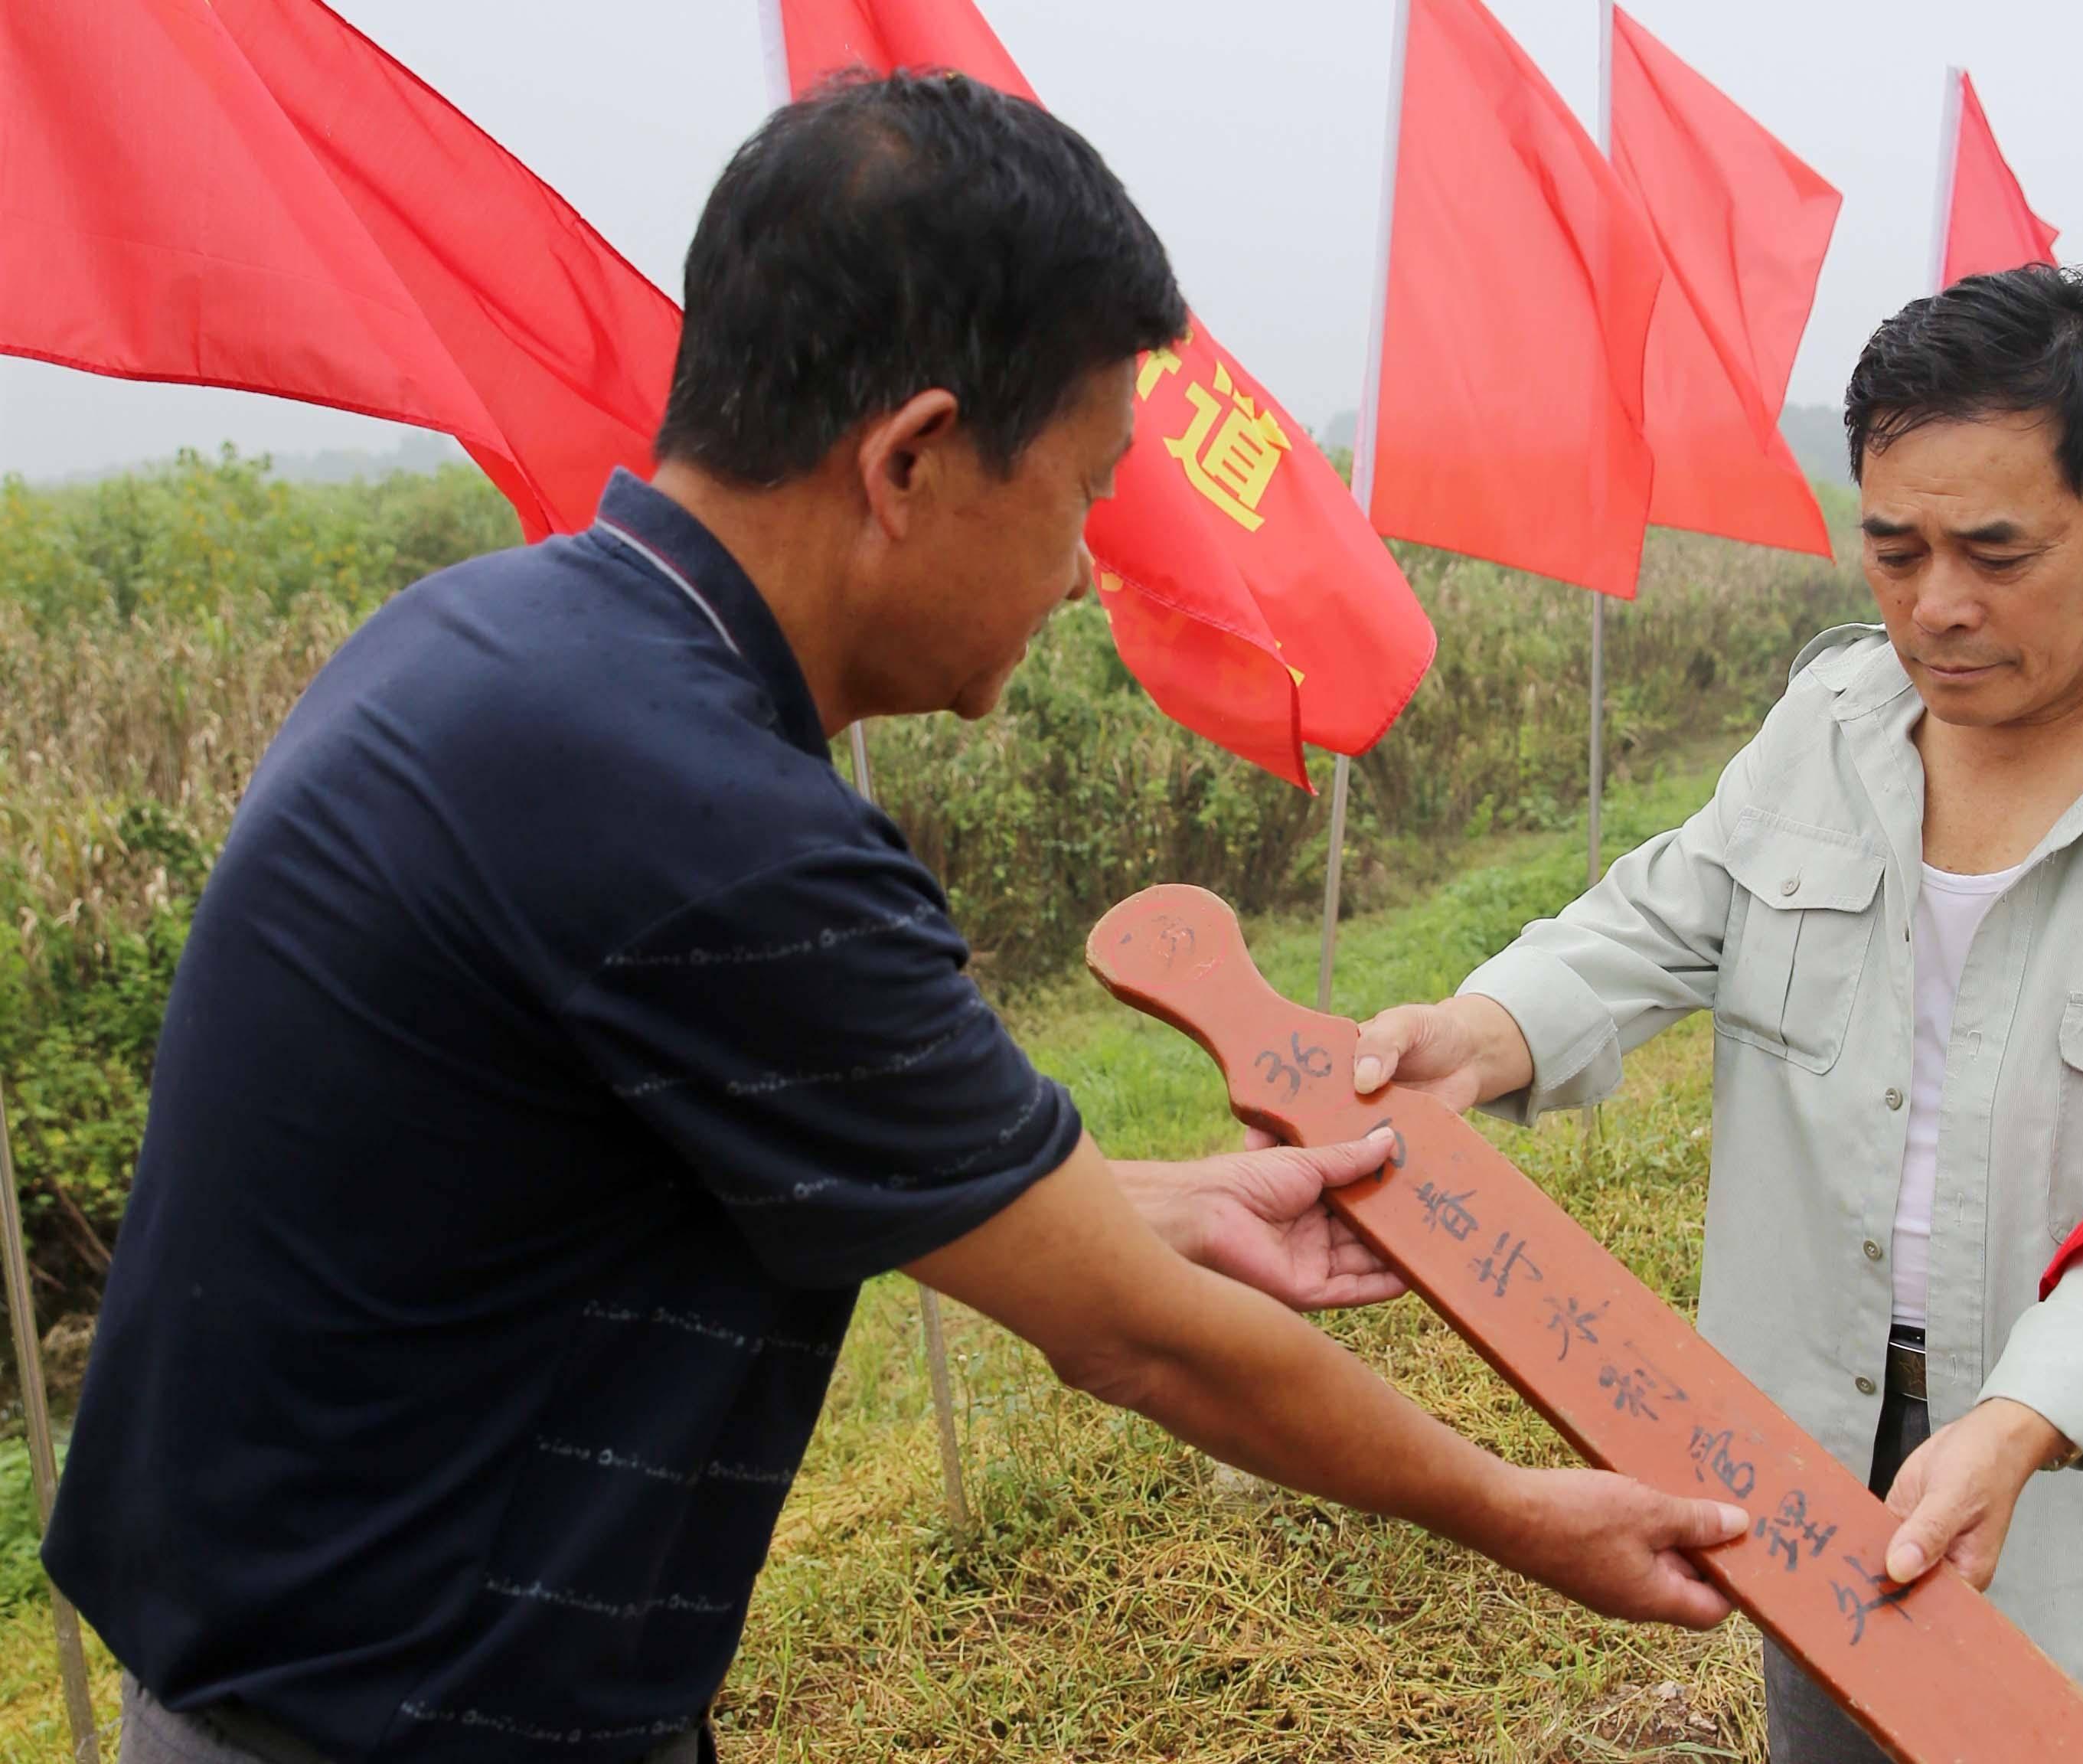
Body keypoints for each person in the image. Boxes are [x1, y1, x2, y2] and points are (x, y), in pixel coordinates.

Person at [43, 74, 1748, 1764]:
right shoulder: (714, 823)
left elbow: (701, 1156)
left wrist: (1146, 1200)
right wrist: (1526, 1511)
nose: (1087, 571)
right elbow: (1138, 1342)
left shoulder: (491, 641)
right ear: (914, 459)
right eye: (1084, 491)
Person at [1340, 266, 2083, 1764]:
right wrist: (1485, 1025)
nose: (1936, 607)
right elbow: (1661, 916)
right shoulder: (1833, 724)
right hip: (1818, 1454)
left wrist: (2025, 1419)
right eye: (1893, 552)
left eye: (1996, 553)